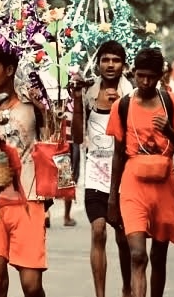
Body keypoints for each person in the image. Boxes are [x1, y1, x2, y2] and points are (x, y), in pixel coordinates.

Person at [106, 48, 174, 297]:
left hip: (165, 187)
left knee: (158, 256)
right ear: (133, 73)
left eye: (151, 77)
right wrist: (112, 198)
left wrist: (170, 132)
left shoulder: (172, 102)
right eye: (141, 76)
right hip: (133, 186)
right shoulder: (122, 105)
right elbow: (117, 154)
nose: (145, 82)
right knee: (137, 255)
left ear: (161, 76)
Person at [0, 44, 47, 297]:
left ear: (9, 70)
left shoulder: (32, 106)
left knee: (31, 286)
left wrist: (47, 111)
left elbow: (54, 141)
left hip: (28, 199)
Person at [70, 41, 133, 297]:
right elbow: (76, 136)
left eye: (115, 60)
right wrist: (75, 101)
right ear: (98, 63)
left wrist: (120, 107)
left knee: (123, 238)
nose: (110, 65)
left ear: (123, 64)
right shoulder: (87, 92)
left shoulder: (131, 95)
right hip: (95, 175)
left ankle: (128, 287)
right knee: (98, 231)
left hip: (125, 177)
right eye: (105, 60)